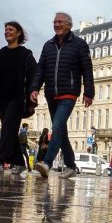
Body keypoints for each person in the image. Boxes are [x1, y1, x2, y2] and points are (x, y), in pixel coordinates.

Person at [29, 12, 94, 180]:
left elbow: (87, 69)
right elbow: (40, 69)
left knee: (57, 127)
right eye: (55, 22)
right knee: (61, 132)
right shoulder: (48, 45)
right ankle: (71, 166)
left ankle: (47, 163)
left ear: (69, 25)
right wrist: (34, 88)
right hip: (51, 93)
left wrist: (89, 92)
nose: (57, 24)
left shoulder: (79, 44)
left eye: (60, 22)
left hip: (69, 93)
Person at [0, 21, 37, 176]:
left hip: (17, 99)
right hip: (2, 99)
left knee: (7, 129)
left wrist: (32, 95)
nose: (7, 31)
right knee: (10, 132)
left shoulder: (26, 54)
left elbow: (34, 76)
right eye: (6, 29)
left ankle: (0, 161)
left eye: (10, 29)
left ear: (18, 33)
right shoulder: (0, 53)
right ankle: (19, 163)